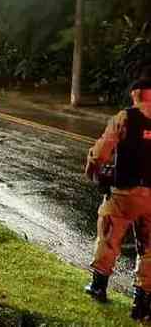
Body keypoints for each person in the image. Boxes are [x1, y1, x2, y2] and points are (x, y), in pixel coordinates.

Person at [85, 77, 151, 320]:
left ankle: (99, 286)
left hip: (124, 194)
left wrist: (93, 169)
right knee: (149, 250)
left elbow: (102, 150)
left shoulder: (124, 117)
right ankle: (142, 303)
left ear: (136, 94)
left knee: (109, 236)